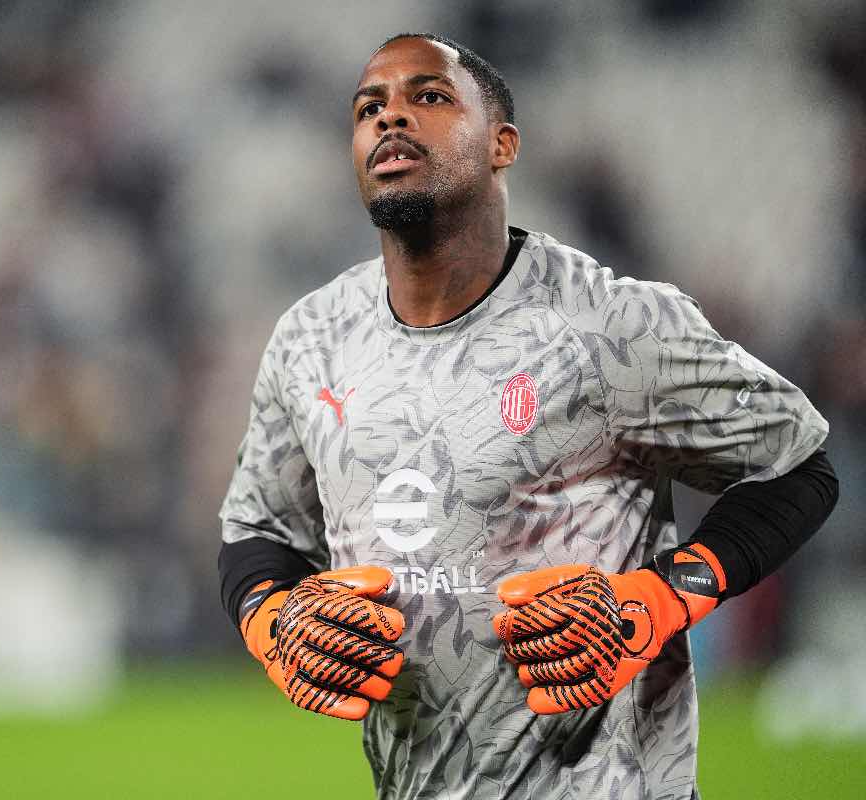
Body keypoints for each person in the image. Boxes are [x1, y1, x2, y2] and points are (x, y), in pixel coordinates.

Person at [217, 32, 838, 800]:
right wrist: (273, 622)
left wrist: (663, 595)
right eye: (368, 107)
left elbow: (799, 463)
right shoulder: (311, 339)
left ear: (502, 144)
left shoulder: (611, 325)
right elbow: (258, 529)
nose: (390, 118)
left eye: (430, 97)